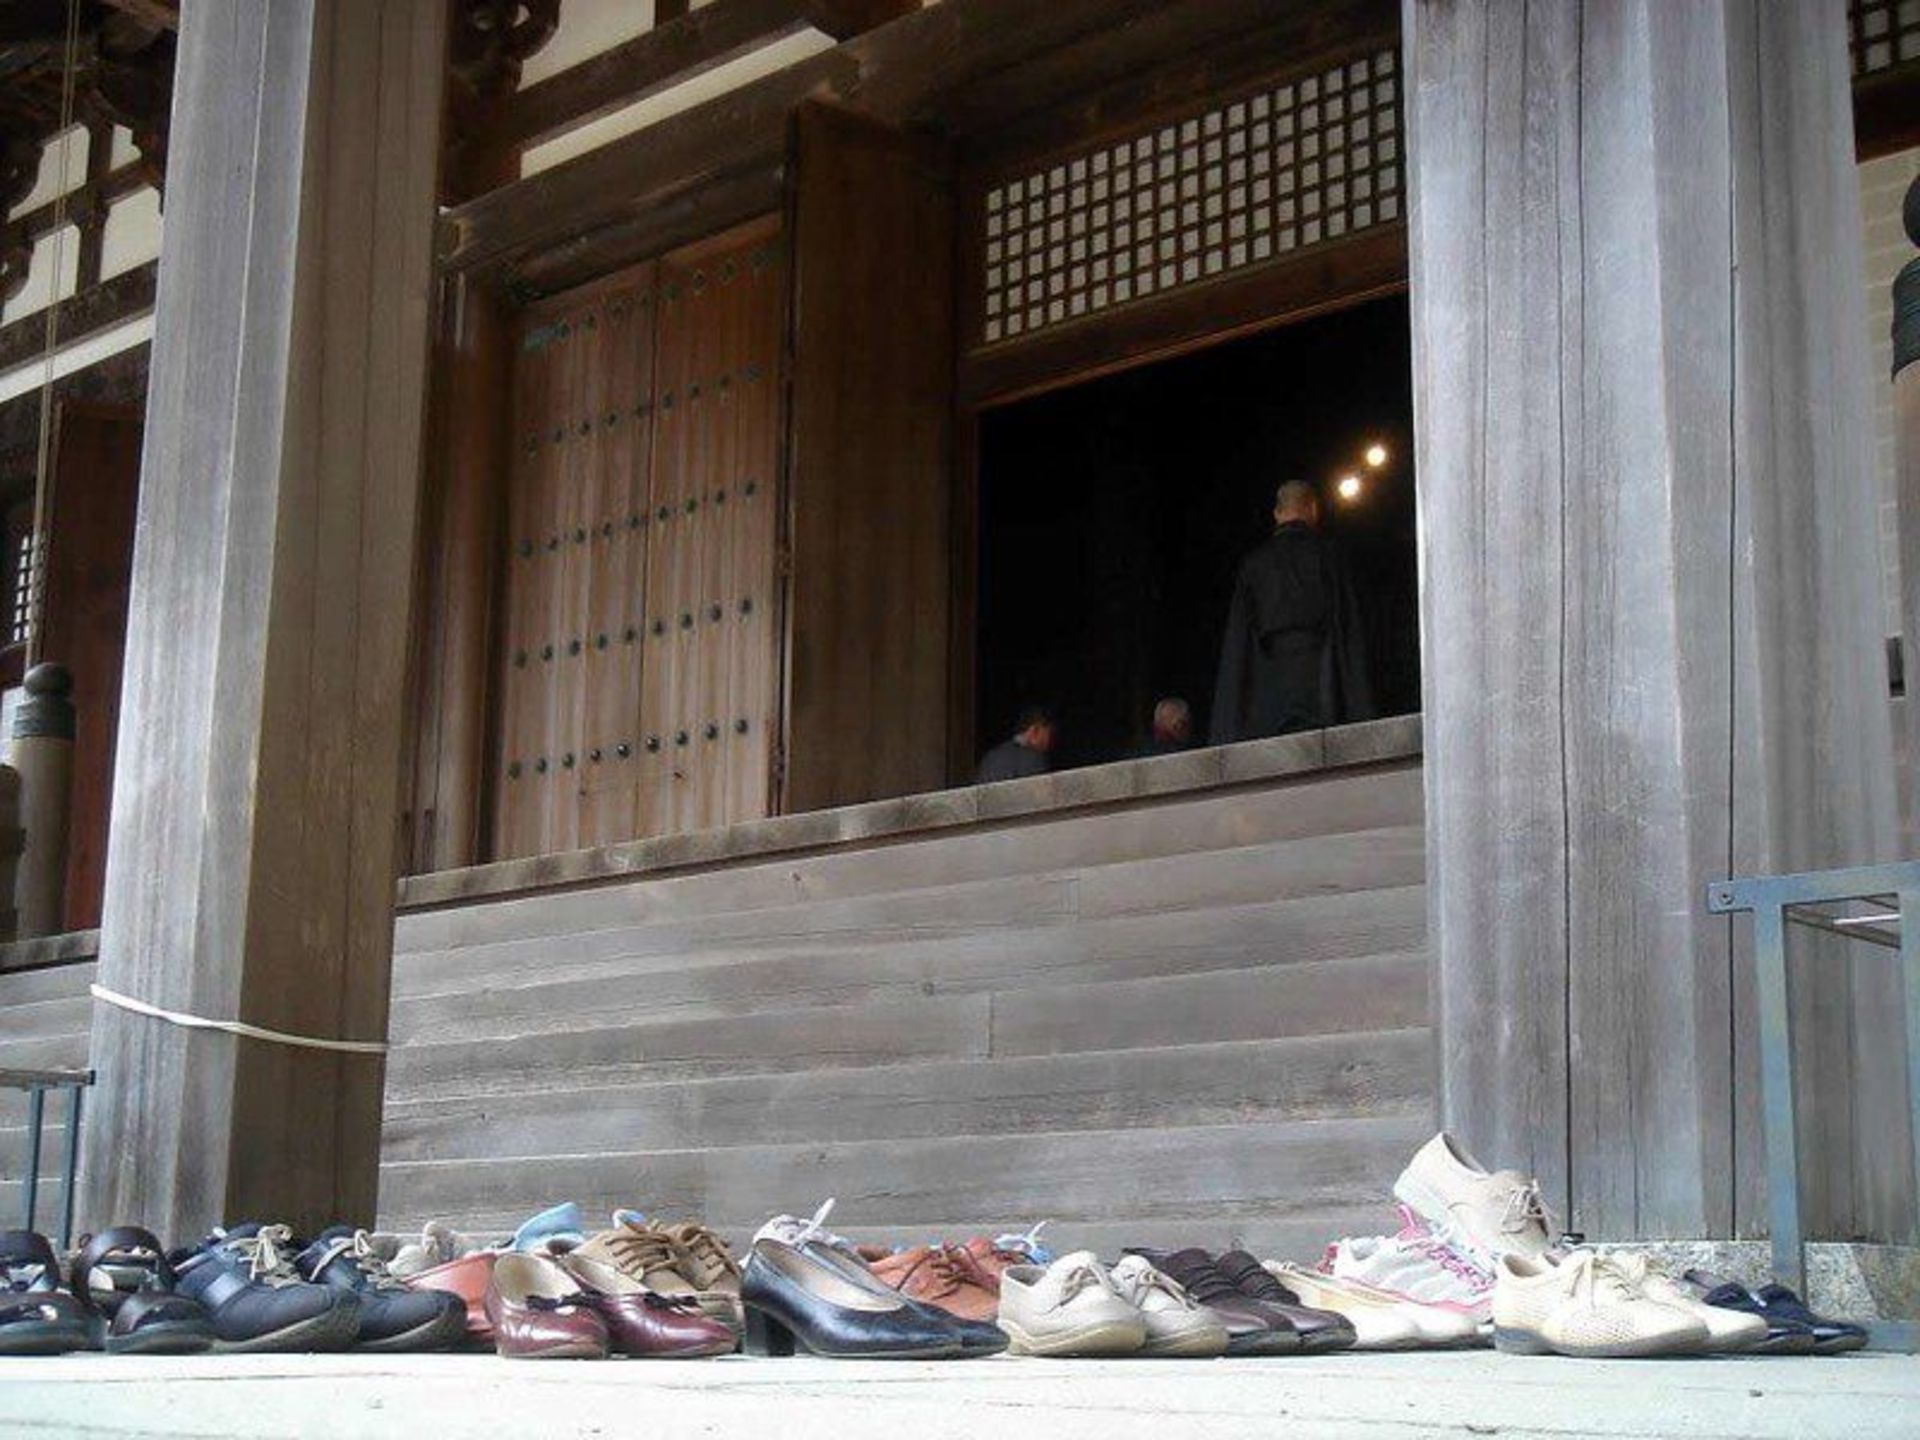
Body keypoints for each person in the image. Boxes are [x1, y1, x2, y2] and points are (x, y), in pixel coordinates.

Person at [1210, 480, 1374, 742]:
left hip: (1269, 682)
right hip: (1324, 677)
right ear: (1312, 509)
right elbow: (1348, 627)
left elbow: (1238, 642)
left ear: (1277, 514)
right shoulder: (1330, 556)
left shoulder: (1254, 565)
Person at [976, 706, 1056, 783]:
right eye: (1048, 733)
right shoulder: (1034, 759)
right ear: (1034, 731)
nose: (1048, 741)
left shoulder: (991, 757)